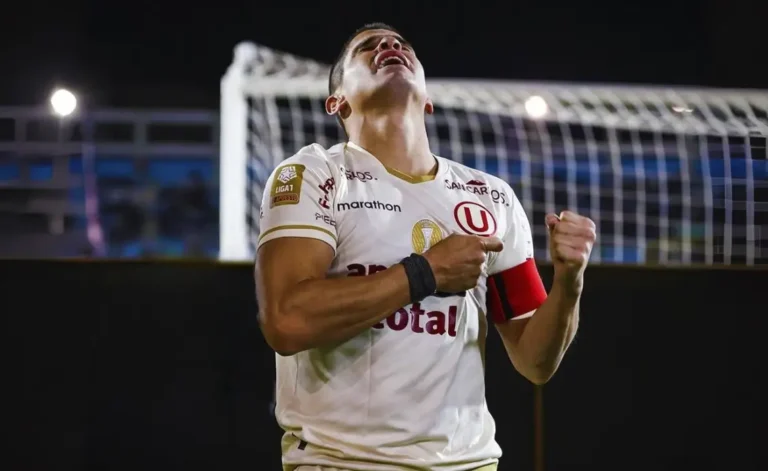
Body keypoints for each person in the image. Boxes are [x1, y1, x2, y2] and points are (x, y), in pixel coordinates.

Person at [255, 23, 596, 471]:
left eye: (401, 44)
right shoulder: (314, 174)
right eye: (367, 47)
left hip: (469, 464)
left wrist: (569, 283)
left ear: (428, 99)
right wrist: (425, 273)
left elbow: (536, 361)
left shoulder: (491, 196)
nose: (389, 46)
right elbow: (286, 320)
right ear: (337, 101)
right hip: (343, 462)